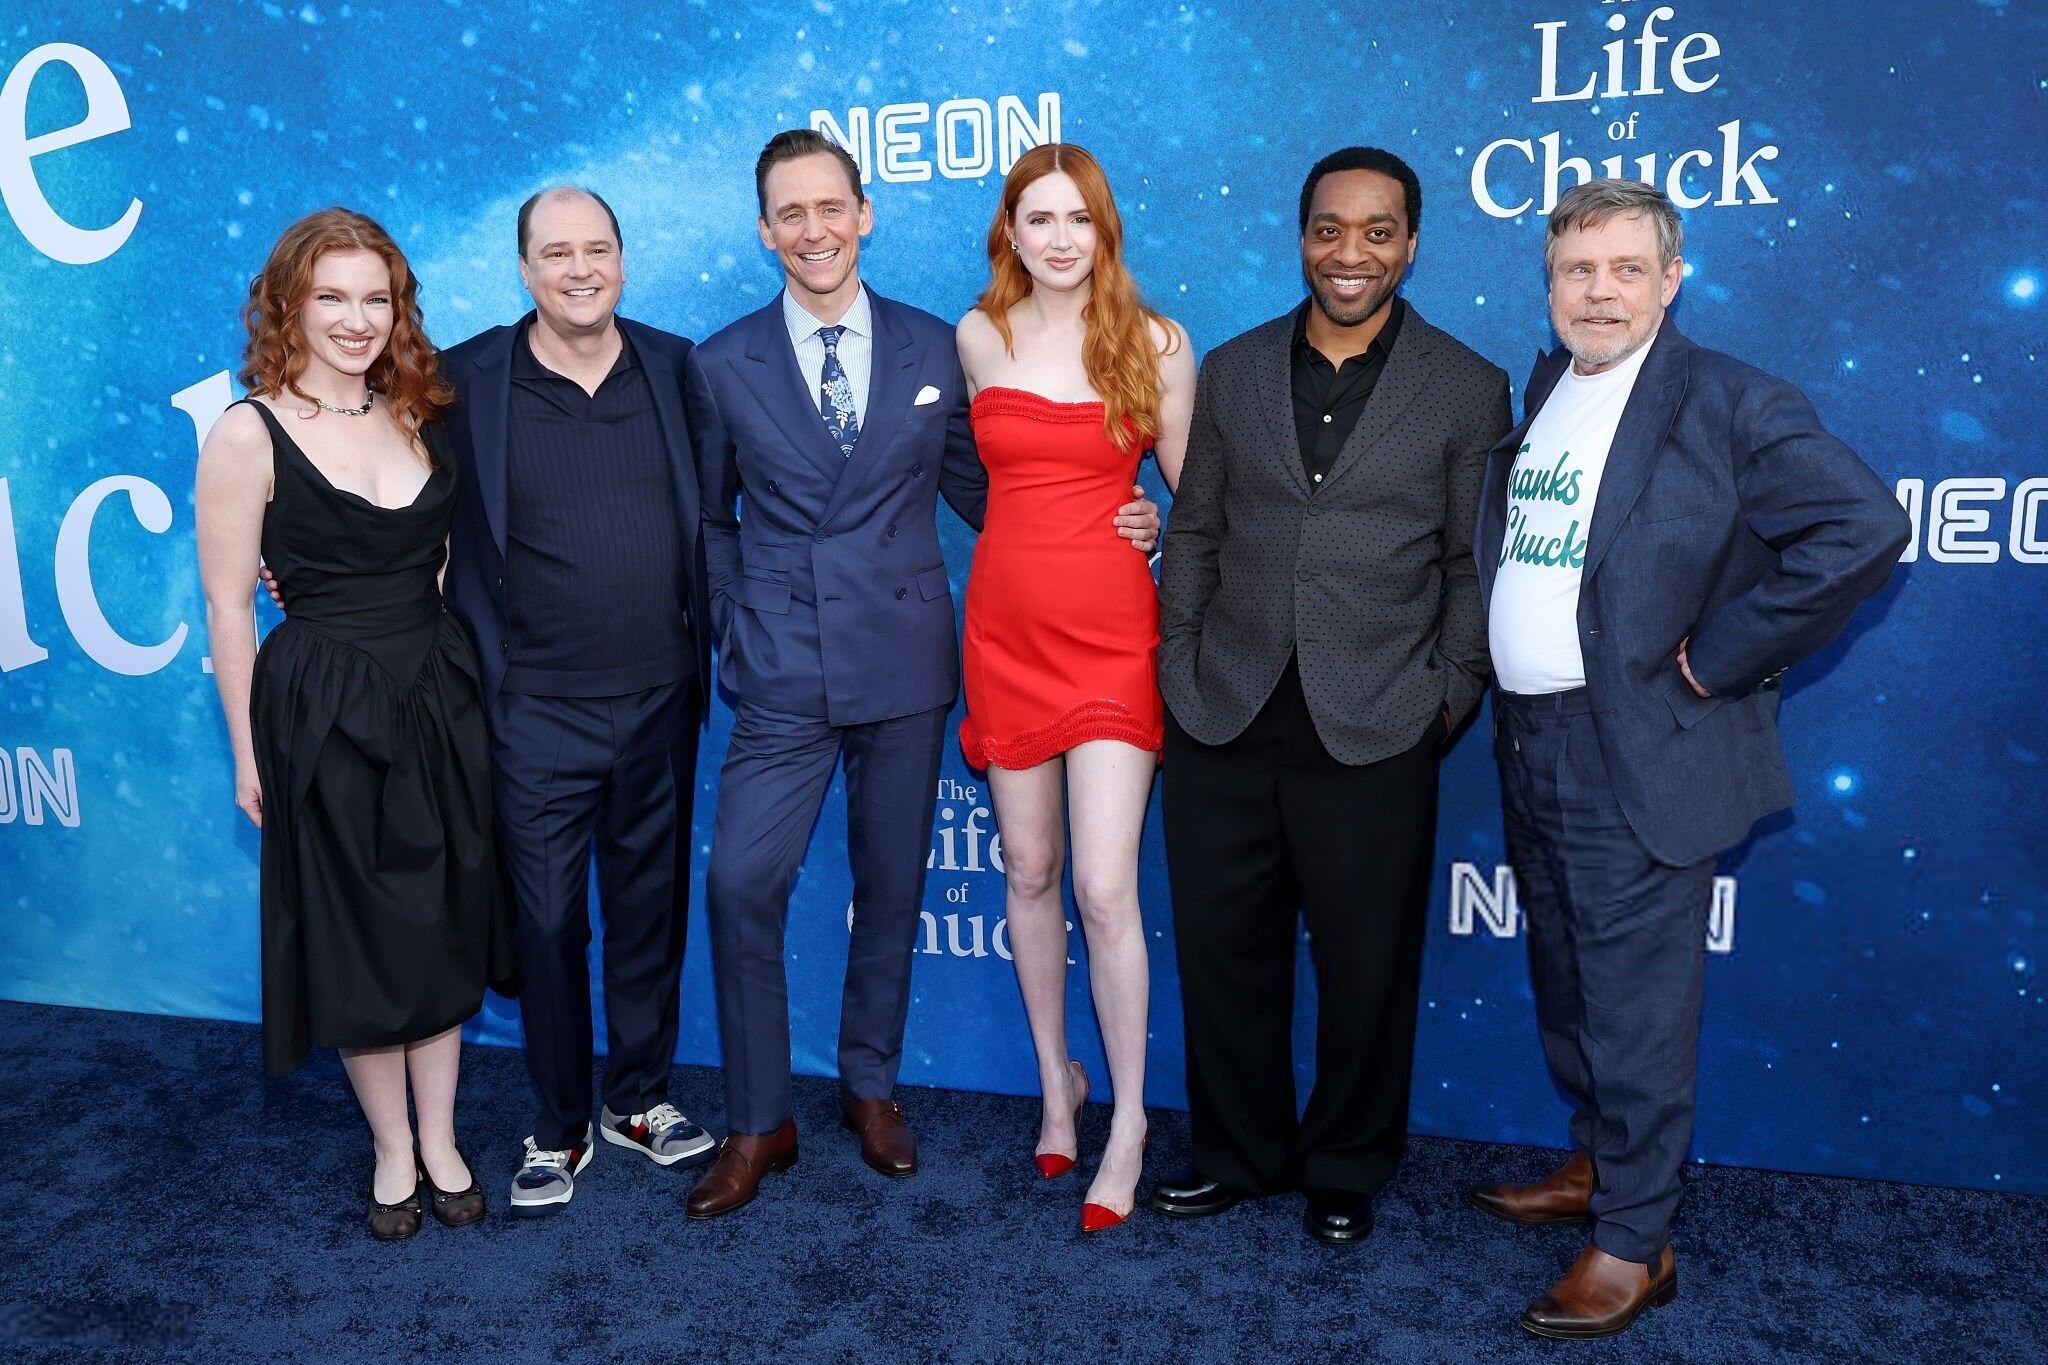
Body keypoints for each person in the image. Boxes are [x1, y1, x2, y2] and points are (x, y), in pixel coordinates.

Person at [681, 129, 1159, 1219]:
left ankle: (870, 1087)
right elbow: (710, 518)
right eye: (790, 213)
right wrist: (738, 627)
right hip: (782, 667)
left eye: (830, 208)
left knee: (892, 886)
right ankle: (757, 1121)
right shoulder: (719, 363)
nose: (813, 230)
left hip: (904, 658)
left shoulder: (937, 345)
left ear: (865, 214)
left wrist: (1110, 522)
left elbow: (991, 489)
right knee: (739, 884)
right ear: (765, 231)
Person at [1467, 178, 1910, 1339]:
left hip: (1638, 746)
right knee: (1566, 981)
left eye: (1625, 268)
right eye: (1576, 270)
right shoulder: (1548, 385)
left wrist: (1716, 661)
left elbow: (1862, 529)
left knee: (1634, 1004)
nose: (1597, 292)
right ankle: (1598, 1166)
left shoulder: (1728, 399)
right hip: (1530, 735)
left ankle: (1633, 1242)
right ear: (1549, 283)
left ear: (1671, 280)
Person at [1149, 148, 1511, 1246]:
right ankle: (1237, 1153)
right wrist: (1177, 659)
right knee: (1224, 951)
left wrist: (1447, 695)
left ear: (1410, 243)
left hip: (1379, 718)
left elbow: (1469, 566)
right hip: (1223, 705)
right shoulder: (1235, 367)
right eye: (1328, 229)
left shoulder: (1467, 384)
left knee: (1365, 966)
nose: (1350, 253)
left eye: (1376, 231)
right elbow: (1197, 528)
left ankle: (1345, 1164)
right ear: (1301, 237)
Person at [196, 208, 513, 1241]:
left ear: (397, 309)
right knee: (361, 932)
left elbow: (437, 564)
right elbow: (229, 604)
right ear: (287, 306)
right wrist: (248, 752)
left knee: (441, 919)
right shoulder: (247, 431)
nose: (354, 318)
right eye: (330, 296)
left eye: (375, 298)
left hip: (436, 696)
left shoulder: (417, 410)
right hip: (325, 708)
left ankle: (443, 1137)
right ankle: (391, 1148)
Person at [438, 187, 717, 1215]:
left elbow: (729, 506)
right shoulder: (464, 380)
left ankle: (635, 1099)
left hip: (660, 695)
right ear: (524, 270)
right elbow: (386, 494)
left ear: (623, 260)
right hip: (533, 707)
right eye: (556, 253)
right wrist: (307, 571)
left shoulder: (676, 366)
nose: (579, 268)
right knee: (548, 924)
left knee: (649, 910)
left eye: (596, 248)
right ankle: (557, 1124)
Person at [954, 142, 1194, 1233]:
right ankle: (1058, 1083)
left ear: (1106, 230)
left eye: (1079, 219)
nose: (1060, 239)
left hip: (1110, 636)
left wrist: (1158, 525)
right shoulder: (978, 336)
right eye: (1039, 218)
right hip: (1004, 634)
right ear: (1010, 229)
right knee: (1031, 869)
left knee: (1103, 888)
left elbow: (1197, 499)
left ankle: (1131, 1121)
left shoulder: (1156, 343)